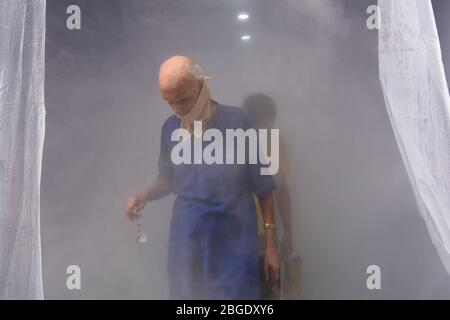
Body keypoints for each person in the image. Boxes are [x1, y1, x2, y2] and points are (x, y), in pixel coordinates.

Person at [124, 55, 280, 299]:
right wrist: (143, 196)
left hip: (234, 238)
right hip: (187, 237)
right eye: (170, 103)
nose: (178, 109)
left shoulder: (239, 122)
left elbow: (264, 187)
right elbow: (168, 180)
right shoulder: (170, 128)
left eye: (183, 100)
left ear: (200, 84)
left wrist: (271, 247)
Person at [243, 94, 295, 299]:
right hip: (263, 237)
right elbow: (281, 190)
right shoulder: (273, 141)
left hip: (236, 234)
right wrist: (288, 233)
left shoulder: (227, 142)